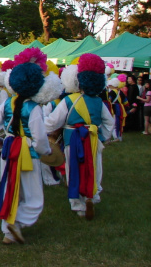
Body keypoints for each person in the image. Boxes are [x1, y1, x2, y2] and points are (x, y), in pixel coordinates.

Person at [0, 59, 57, 245]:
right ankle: (19, 222)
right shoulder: (34, 109)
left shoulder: (8, 103)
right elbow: (39, 139)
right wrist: (47, 152)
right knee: (33, 196)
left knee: (10, 189)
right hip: (28, 153)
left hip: (9, 149)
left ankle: (8, 230)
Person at [45, 53, 115, 220]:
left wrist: (40, 126)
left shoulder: (69, 100)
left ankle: (79, 205)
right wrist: (103, 137)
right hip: (93, 139)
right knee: (94, 168)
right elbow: (109, 123)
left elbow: (53, 122)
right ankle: (92, 196)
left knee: (74, 170)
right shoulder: (99, 102)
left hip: (72, 140)